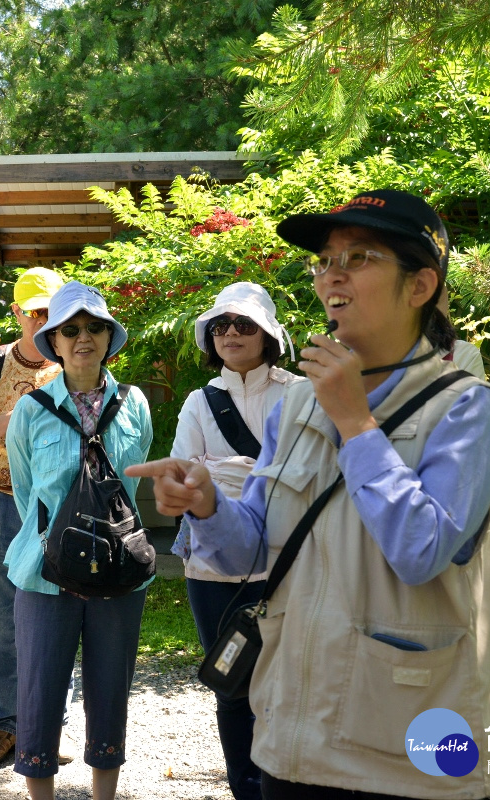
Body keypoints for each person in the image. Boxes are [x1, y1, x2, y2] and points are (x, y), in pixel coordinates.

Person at [128, 190, 490, 800]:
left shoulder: (467, 407)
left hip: (412, 751)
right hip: (295, 740)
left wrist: (357, 424)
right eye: (324, 260)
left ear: (419, 287)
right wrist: (208, 506)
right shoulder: (299, 404)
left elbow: (423, 552)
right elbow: (251, 556)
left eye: (359, 257)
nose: (332, 273)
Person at [4, 281, 153, 800]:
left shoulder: (135, 403)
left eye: (94, 327)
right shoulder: (31, 409)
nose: (83, 337)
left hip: (120, 569)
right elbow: (27, 494)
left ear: (109, 336)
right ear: (56, 341)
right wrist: (61, 544)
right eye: (71, 329)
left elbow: (131, 487)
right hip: (45, 572)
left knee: (111, 689)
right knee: (41, 689)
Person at [169, 282, 301, 800]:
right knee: (229, 678)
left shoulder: (298, 393)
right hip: (211, 566)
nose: (230, 334)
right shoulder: (200, 401)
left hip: (284, 561)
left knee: (283, 680)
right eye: (221, 326)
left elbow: (301, 475)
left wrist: (223, 474)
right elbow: (183, 474)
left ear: (268, 335)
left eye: (243, 324)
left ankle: (284, 784)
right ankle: (244, 788)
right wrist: (248, 475)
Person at [0, 266, 67, 766]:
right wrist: (26, 412)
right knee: (1, 622)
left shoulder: (74, 356)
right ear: (16, 313)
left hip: (57, 503)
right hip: (4, 500)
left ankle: (55, 724)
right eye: (33, 312)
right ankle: (5, 724)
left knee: (58, 612)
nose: (42, 321)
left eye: (51, 311)